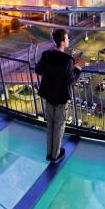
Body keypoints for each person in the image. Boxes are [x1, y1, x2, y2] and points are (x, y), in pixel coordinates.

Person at [36, 28, 82, 162]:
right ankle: (55, 155)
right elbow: (70, 80)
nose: (68, 40)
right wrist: (77, 71)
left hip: (48, 94)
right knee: (59, 125)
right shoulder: (67, 60)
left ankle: (49, 152)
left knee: (50, 124)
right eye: (67, 38)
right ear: (62, 42)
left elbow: (38, 70)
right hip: (61, 97)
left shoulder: (46, 55)